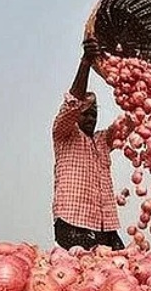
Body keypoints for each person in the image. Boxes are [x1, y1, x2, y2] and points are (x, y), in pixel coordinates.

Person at [51, 39, 126, 251]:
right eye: (86, 114)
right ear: (76, 116)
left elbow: (130, 122)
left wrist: (142, 91)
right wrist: (86, 63)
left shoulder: (103, 141)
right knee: (81, 276)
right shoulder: (64, 134)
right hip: (73, 222)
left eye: (95, 114)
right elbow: (71, 103)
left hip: (106, 226)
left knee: (118, 274)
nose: (91, 118)